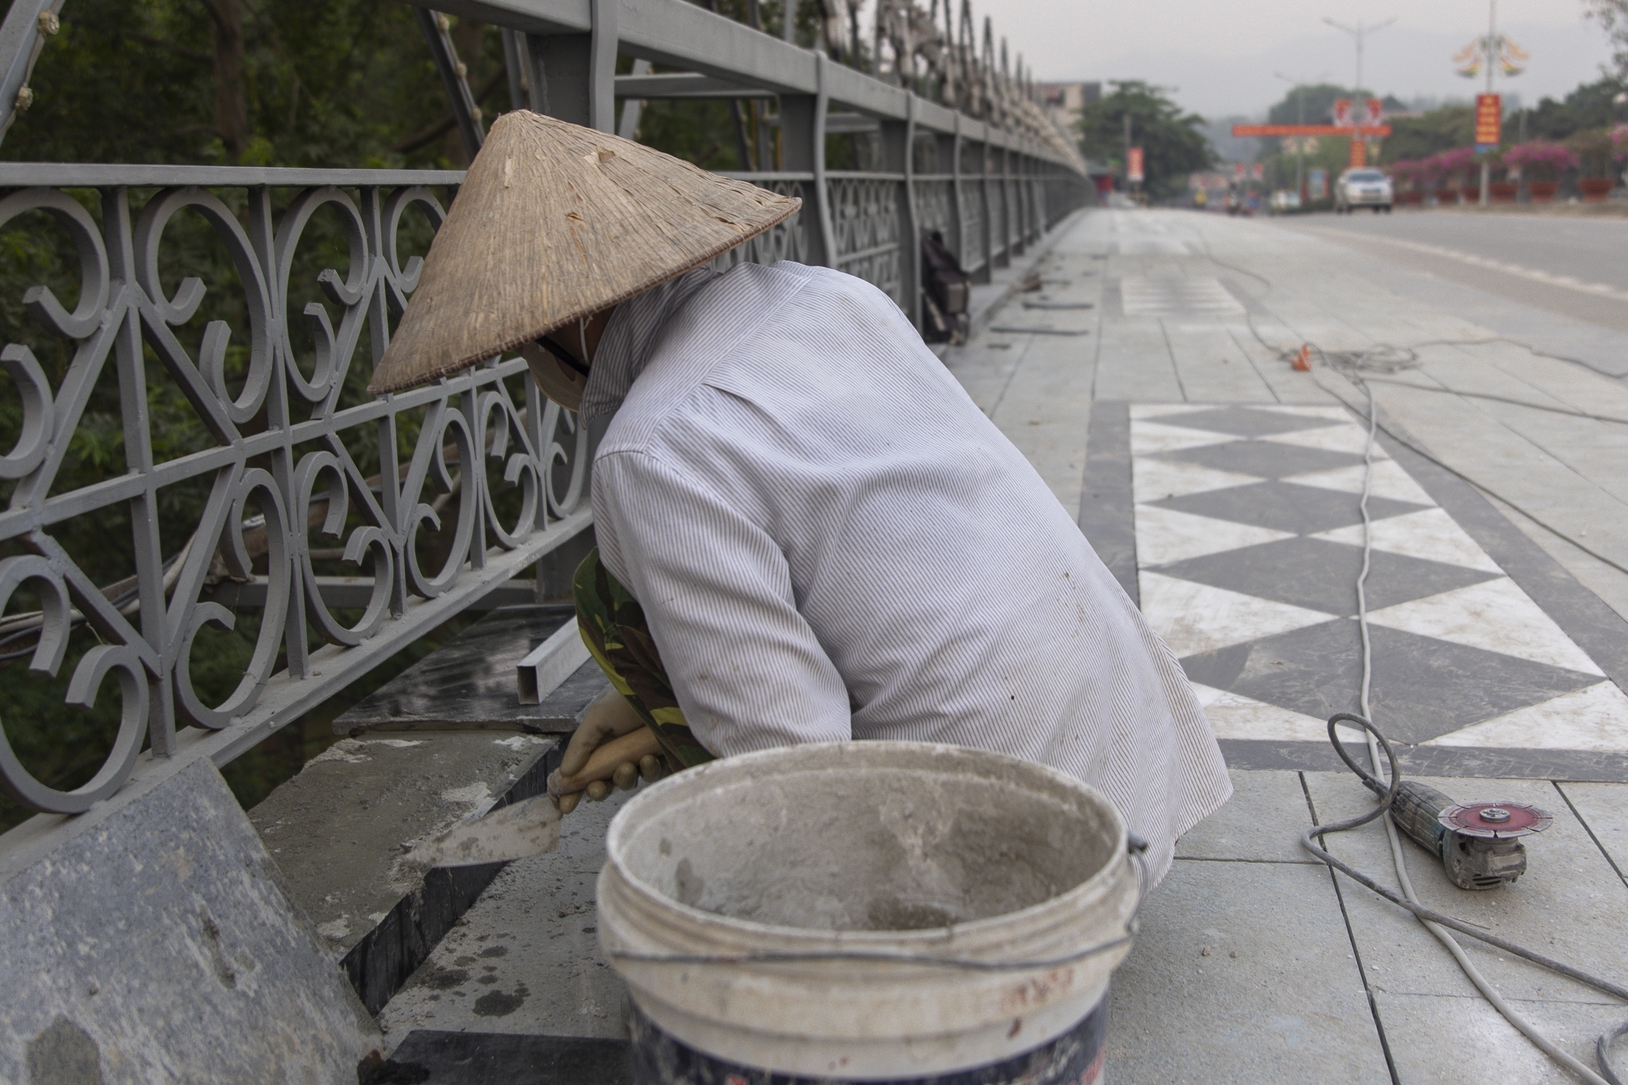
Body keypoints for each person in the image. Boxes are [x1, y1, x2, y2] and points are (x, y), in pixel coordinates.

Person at [370, 111, 1231, 883]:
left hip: (1013, 873)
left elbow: (797, 766)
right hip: (1130, 791)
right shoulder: (833, 296)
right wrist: (649, 709)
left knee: (606, 601)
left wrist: (697, 760)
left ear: (563, 326)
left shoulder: (652, 446)